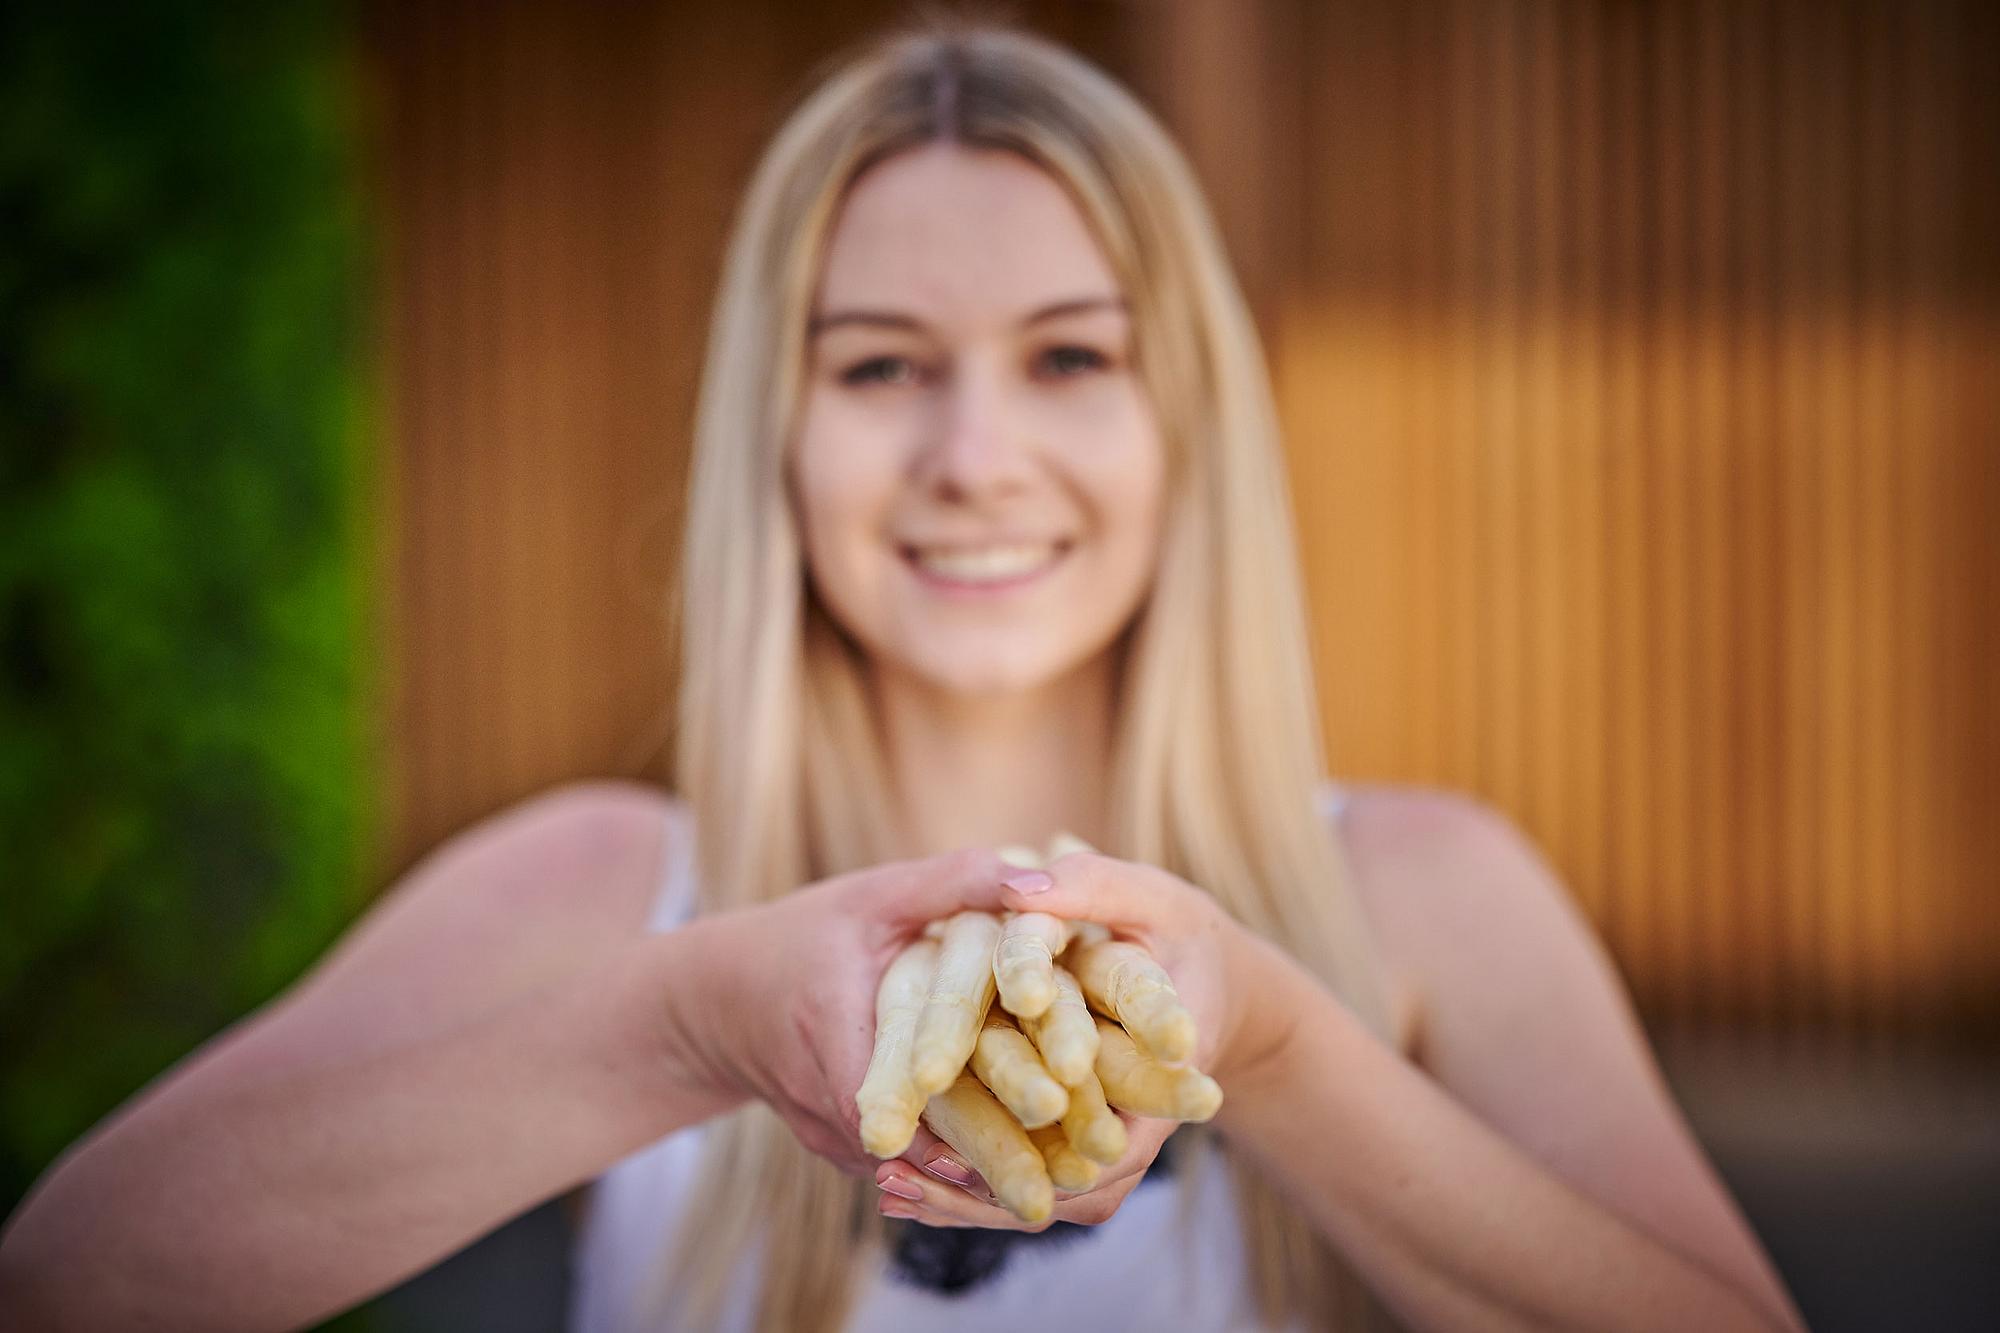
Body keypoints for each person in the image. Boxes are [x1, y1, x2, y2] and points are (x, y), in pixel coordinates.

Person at [0, 18, 1806, 1333]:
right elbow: (80, 1277)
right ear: (771, 435)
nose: (973, 453)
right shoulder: (599, 888)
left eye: (1070, 358)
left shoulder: (1420, 896)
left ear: (1187, 422)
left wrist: (1269, 1041)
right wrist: (687, 1021)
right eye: (877, 368)